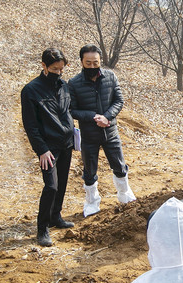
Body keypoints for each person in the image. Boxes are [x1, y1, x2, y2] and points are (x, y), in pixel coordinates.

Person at [68, 44, 135, 217]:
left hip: (110, 132)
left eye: (95, 62)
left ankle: (124, 195)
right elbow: (72, 109)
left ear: (100, 61)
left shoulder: (110, 77)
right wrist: (92, 116)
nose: (92, 66)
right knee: (90, 171)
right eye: (88, 63)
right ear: (82, 61)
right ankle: (91, 202)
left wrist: (107, 117)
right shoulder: (74, 83)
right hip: (89, 135)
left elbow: (119, 101)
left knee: (119, 166)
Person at [21, 48, 75, 247]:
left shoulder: (64, 86)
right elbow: (30, 125)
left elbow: (67, 111)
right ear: (43, 66)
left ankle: (55, 217)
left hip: (66, 144)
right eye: (54, 69)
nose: (59, 72)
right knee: (51, 186)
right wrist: (42, 149)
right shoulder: (30, 90)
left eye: (62, 69)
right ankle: (42, 228)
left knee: (61, 184)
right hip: (48, 148)